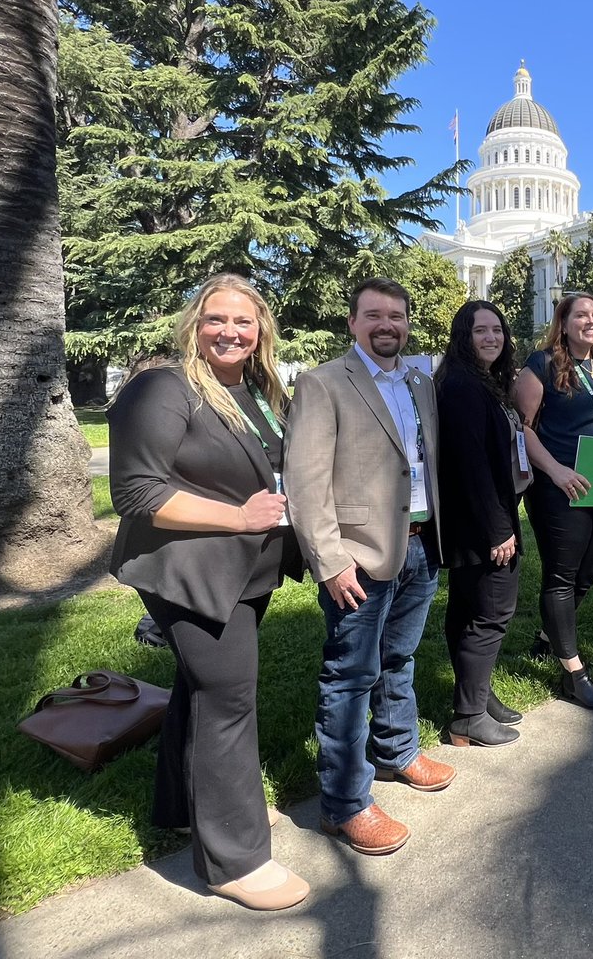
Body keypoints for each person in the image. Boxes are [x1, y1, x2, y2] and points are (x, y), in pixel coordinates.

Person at [107, 273, 308, 911]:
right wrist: (239, 518)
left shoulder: (258, 389)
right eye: (216, 319)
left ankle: (184, 809)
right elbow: (136, 492)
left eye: (243, 321)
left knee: (201, 690)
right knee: (228, 698)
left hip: (247, 572)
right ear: (194, 325)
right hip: (188, 570)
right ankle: (234, 860)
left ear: (261, 331)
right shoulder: (165, 388)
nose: (230, 332)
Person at [284, 277, 454, 857]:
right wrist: (330, 561)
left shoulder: (420, 382)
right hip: (357, 556)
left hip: (420, 545)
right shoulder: (324, 382)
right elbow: (305, 483)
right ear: (353, 322)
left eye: (397, 316)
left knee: (399, 657)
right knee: (350, 676)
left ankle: (397, 751)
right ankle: (344, 803)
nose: (388, 325)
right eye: (374, 315)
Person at [513, 292, 593, 712]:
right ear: (563, 323)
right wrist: (556, 471)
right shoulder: (541, 365)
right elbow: (522, 428)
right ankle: (574, 674)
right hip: (559, 487)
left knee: (590, 570)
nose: (590, 321)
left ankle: (549, 637)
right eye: (580, 315)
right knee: (562, 576)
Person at [436, 300, 529, 747]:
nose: (492, 337)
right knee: (490, 614)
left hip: (475, 517)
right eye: (480, 331)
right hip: (481, 522)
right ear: (464, 337)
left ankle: (477, 694)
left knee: (467, 610)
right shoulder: (464, 387)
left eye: (497, 329)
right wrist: (498, 529)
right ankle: (469, 717)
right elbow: (472, 464)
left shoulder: (480, 381)